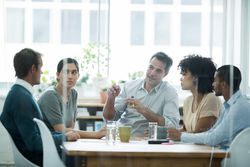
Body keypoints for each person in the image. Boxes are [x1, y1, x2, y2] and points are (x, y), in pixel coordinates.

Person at [0, 48, 80, 166]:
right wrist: (64, 137)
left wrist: (64, 136)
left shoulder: (21, 93)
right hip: (37, 157)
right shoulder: (21, 98)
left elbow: (40, 135)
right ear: (33, 69)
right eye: (40, 68)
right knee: (80, 159)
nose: (42, 72)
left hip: (38, 154)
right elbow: (34, 142)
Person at [168, 65, 250, 147]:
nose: (213, 84)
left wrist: (181, 136)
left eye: (215, 81)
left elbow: (213, 138)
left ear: (224, 84)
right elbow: (212, 132)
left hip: (232, 157)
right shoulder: (230, 105)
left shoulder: (238, 108)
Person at [103, 52, 180, 137]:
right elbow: (109, 117)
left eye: (158, 71)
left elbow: (173, 126)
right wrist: (111, 98)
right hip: (123, 139)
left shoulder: (170, 93)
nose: (152, 73)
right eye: (151, 67)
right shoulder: (129, 86)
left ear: (165, 74)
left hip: (150, 142)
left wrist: (144, 111)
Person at [38, 58, 106, 138]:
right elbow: (61, 130)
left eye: (74, 72)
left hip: (65, 142)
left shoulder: (73, 93)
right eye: (66, 72)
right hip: (49, 143)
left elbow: (70, 128)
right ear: (57, 75)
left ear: (78, 76)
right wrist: (96, 134)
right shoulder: (50, 95)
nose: (70, 76)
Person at [178, 55, 221, 133]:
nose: (181, 78)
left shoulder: (211, 98)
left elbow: (199, 134)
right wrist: (168, 133)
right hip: (191, 145)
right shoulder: (188, 101)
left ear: (196, 77)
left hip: (205, 145)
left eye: (184, 74)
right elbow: (185, 130)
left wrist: (178, 135)